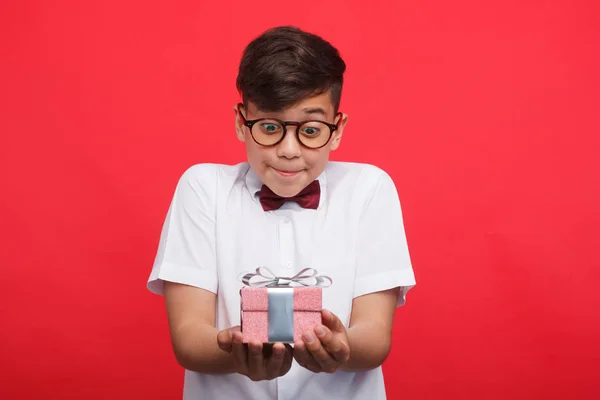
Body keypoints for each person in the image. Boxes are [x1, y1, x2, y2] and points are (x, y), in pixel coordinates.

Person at [147, 25, 416, 400]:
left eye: (310, 129)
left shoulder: (369, 189)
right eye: (270, 127)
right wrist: (235, 352)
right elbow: (189, 339)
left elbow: (375, 334)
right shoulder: (202, 188)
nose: (289, 150)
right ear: (242, 122)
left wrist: (342, 346)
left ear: (337, 130)